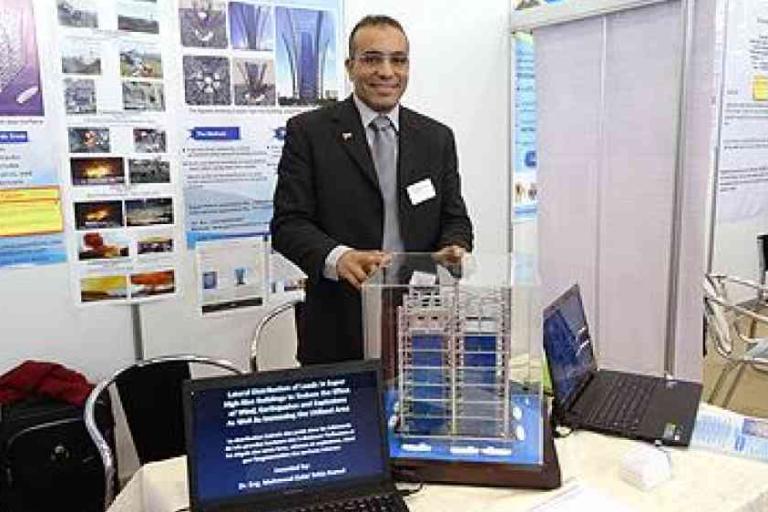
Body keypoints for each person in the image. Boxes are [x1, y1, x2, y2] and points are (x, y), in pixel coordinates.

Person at [271, 15, 473, 365]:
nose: (386, 71)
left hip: (422, 327)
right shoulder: (309, 132)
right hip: (338, 329)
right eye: (372, 59)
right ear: (350, 67)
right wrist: (339, 257)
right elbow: (288, 225)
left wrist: (453, 248)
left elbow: (454, 218)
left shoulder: (436, 138)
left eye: (398, 60)